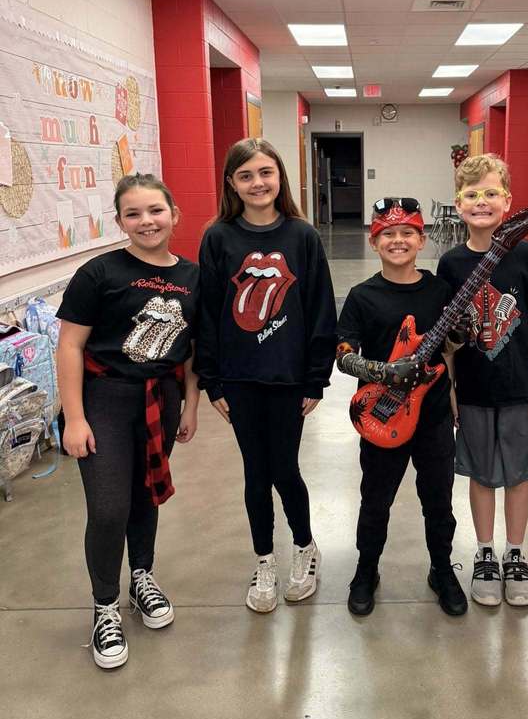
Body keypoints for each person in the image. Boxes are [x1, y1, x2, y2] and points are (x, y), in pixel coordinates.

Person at [57, 174, 200, 670]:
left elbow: (192, 349)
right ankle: (105, 605)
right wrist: (75, 418)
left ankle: (142, 576)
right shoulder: (98, 273)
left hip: (161, 398)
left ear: (174, 215)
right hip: (105, 399)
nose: (146, 221)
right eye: (133, 213)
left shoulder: (193, 276)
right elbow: (70, 346)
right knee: (108, 508)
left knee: (145, 494)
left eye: (155, 210)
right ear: (119, 221)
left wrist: (191, 403)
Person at [196, 138, 336, 614]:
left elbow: (320, 309)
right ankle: (264, 560)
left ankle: (304, 546)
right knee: (255, 472)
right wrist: (212, 380)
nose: (257, 183)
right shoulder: (218, 237)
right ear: (232, 183)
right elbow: (207, 313)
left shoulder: (302, 236)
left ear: (279, 176)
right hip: (239, 379)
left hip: (288, 378)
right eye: (246, 175)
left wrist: (316, 378)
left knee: (284, 469)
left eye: (265, 173)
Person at [437, 154, 528, 608]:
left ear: (508, 201)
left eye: (491, 193)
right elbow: (448, 337)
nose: (482, 202)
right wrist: (451, 388)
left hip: (522, 389)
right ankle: (485, 553)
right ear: (458, 204)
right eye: (472, 194)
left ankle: (515, 553)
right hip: (474, 390)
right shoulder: (451, 264)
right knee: (481, 474)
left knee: (517, 475)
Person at [336, 197, 467, 617]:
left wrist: (460, 335)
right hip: (381, 415)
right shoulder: (362, 296)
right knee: (375, 500)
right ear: (374, 242)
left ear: (421, 240)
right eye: (387, 234)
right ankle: (366, 569)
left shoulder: (440, 291)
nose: (398, 240)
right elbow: (343, 354)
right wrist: (383, 372)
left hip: (433, 417)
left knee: (439, 500)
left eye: (407, 233)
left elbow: (448, 348)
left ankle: (442, 569)